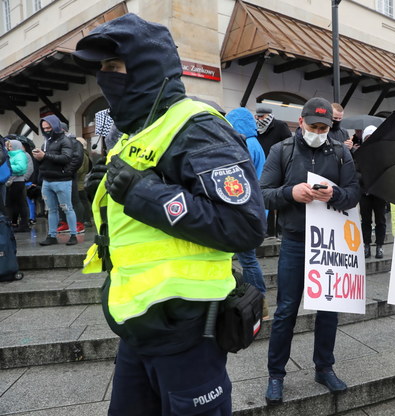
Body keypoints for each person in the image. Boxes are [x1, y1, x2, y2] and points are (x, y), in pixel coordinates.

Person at [72, 13, 266, 415]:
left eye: (113, 68)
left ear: (146, 67)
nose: (105, 79)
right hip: (137, 324)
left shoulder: (196, 127)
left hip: (189, 328)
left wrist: (143, 192)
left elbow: (244, 224)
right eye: (102, 70)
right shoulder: (133, 134)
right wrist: (103, 193)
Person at [260, 97, 359, 405]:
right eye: (314, 126)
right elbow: (262, 193)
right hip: (294, 240)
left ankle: (324, 367)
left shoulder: (341, 152)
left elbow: (355, 193)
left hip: (330, 242)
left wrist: (336, 194)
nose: (319, 132)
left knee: (329, 308)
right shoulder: (282, 150)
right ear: (300, 123)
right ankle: (276, 373)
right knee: (286, 310)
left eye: (324, 128)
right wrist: (291, 193)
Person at [226, 107, 269, 319]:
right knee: (246, 258)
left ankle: (259, 303)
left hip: (246, 211)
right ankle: (256, 302)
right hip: (255, 210)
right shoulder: (254, 143)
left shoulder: (244, 145)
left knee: (248, 259)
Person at [33, 115, 78, 246]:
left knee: (67, 208)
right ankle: (52, 235)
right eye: (44, 128)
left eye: (49, 127)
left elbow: (66, 158)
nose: (46, 130)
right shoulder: (46, 142)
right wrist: (39, 157)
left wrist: (44, 155)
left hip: (62, 180)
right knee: (51, 210)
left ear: (55, 126)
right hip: (48, 180)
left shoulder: (65, 140)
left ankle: (73, 234)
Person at [255, 106, 291, 238]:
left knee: (280, 198)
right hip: (263, 167)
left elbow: (288, 144)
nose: (259, 119)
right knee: (266, 198)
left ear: (269, 116)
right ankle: (268, 231)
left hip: (279, 166)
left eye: (262, 116)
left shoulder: (280, 126)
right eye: (257, 117)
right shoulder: (257, 129)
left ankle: (280, 231)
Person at [359, 125, 387, 258]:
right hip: (364, 193)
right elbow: (356, 172)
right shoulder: (359, 153)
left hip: (379, 192)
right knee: (365, 220)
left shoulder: (383, 153)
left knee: (380, 220)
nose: (370, 140)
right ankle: (366, 245)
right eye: (367, 137)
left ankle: (380, 245)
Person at [5, 139, 32, 232]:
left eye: (11, 146)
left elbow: (21, 168)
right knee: (13, 204)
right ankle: (13, 222)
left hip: (17, 182)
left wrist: (8, 167)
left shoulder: (20, 155)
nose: (9, 148)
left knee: (19, 204)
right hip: (12, 181)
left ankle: (24, 224)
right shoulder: (11, 155)